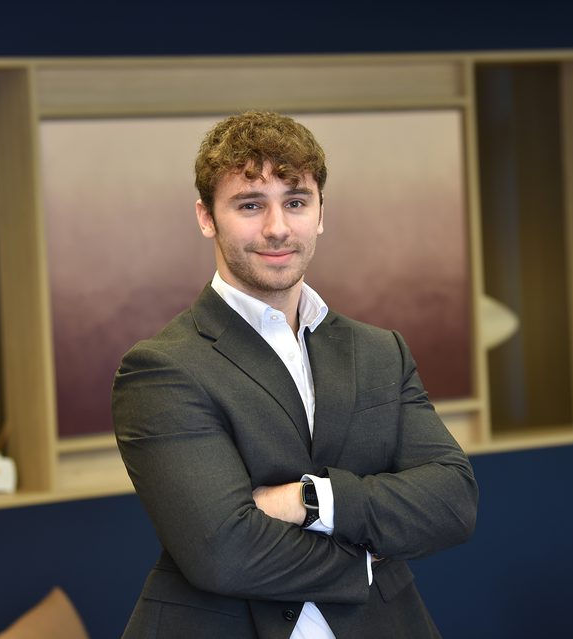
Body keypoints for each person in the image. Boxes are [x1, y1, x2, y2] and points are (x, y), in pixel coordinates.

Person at [112, 111, 478, 638]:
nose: (277, 227)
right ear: (206, 217)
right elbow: (224, 552)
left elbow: (453, 502)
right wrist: (367, 559)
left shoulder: (380, 352)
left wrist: (310, 500)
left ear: (321, 212)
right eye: (250, 205)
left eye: (296, 202)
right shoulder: (162, 368)